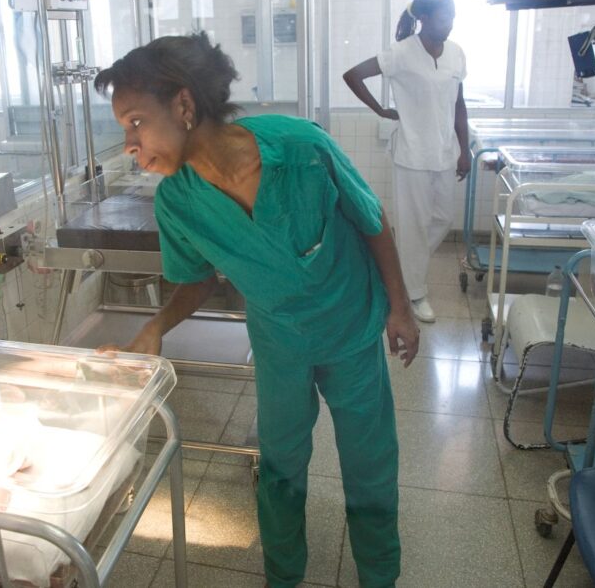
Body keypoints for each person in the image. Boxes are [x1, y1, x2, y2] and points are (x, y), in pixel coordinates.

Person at [93, 32, 419, 588]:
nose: (129, 143)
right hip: (279, 340)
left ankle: (379, 576)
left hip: (349, 328)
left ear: (184, 106)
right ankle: (283, 576)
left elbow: (372, 219)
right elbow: (196, 281)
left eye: (135, 122)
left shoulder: (299, 149)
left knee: (369, 467)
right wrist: (155, 327)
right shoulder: (178, 200)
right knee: (280, 469)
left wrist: (401, 308)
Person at [343, 0, 470, 324]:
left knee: (442, 218)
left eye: (453, 17)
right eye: (445, 18)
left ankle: (395, 269)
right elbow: (352, 75)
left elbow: (459, 103)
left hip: (445, 152)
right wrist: (381, 110)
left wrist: (465, 148)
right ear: (424, 19)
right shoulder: (401, 53)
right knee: (413, 227)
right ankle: (414, 294)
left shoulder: (456, 53)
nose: (451, 24)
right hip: (412, 153)